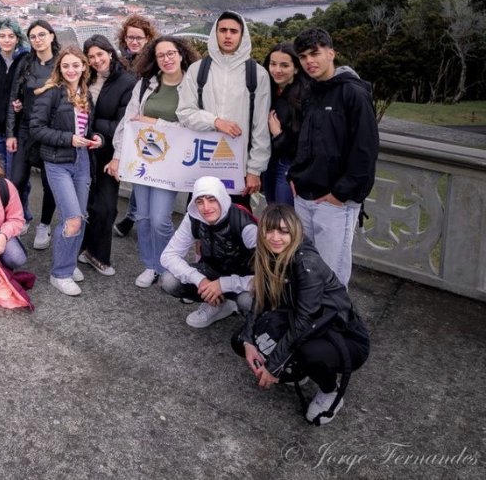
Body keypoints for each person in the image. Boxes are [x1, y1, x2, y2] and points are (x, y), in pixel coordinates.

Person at [233, 204, 370, 425]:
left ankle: (330, 391)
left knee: (309, 353)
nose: (275, 237)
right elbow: (259, 301)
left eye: (283, 231)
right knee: (239, 340)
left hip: (342, 335)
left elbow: (304, 322)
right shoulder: (268, 253)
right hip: (306, 324)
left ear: (295, 232)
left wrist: (272, 366)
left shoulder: (306, 262)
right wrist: (248, 340)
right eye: (269, 230)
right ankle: (298, 371)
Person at [108, 36, 200, 288]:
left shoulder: (193, 87)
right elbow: (128, 122)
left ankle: (171, 265)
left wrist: (156, 123)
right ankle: (151, 265)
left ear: (181, 55)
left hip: (170, 165)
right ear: (154, 59)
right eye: (161, 55)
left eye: (171, 53)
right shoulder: (146, 86)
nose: (167, 59)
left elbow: (192, 126)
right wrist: (117, 157)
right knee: (143, 217)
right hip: (143, 160)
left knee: (160, 219)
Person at [289, 28, 378, 286]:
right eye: (303, 57)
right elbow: (305, 140)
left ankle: (332, 326)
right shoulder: (312, 91)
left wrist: (341, 194)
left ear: (331, 53)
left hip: (335, 203)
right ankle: (310, 323)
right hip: (304, 197)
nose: (309, 61)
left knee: (332, 277)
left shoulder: (354, 94)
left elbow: (365, 150)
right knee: (306, 271)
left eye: (315, 54)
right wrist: (294, 175)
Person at [177, 11, 271, 206]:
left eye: (234, 31)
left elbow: (260, 127)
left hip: (238, 167)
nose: (228, 36)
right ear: (215, 33)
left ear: (242, 36)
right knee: (198, 223)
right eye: (223, 30)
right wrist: (215, 122)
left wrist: (254, 170)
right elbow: (185, 112)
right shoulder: (198, 70)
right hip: (201, 163)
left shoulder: (257, 74)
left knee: (236, 224)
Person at [30, 46, 102, 296]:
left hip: (82, 160)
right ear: (59, 69)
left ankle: (69, 264)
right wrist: (68, 139)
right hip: (57, 162)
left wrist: (95, 138)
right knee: (71, 219)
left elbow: (85, 129)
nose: (71, 70)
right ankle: (60, 273)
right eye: (65, 66)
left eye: (75, 65)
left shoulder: (86, 94)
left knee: (78, 217)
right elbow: (36, 129)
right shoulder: (50, 93)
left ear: (84, 67)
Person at [159, 176, 256, 328]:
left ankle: (253, 322)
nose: (206, 207)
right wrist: (201, 281)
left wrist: (224, 285)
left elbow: (269, 276)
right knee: (169, 280)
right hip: (212, 271)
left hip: (245, 279)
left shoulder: (245, 224)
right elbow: (168, 256)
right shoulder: (194, 217)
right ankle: (219, 304)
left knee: (248, 301)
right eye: (199, 201)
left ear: (222, 198)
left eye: (212, 199)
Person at [77, 35, 134, 277]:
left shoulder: (127, 82)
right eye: (91, 56)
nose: (96, 60)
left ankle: (99, 255)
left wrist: (97, 130)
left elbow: (123, 122)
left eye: (100, 54)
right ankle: (82, 248)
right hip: (81, 149)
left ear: (110, 53)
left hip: (109, 152)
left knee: (106, 206)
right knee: (83, 203)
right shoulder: (84, 78)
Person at [7, 19, 59, 250]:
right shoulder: (26, 63)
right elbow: (14, 98)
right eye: (33, 37)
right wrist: (11, 133)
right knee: (16, 180)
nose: (37, 40)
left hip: (50, 129)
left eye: (41, 35)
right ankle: (17, 220)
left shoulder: (61, 63)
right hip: (26, 127)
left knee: (50, 183)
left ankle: (44, 224)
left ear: (51, 36)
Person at [113, 15, 159, 237]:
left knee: (144, 171)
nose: (134, 42)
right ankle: (134, 215)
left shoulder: (154, 62)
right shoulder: (121, 61)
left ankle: (134, 216)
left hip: (144, 124)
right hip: (122, 121)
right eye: (130, 37)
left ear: (148, 38)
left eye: (138, 38)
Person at [262, 42, 308, 205]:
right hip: (269, 162)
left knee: (284, 215)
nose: (277, 70)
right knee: (272, 209)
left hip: (289, 165)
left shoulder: (303, 97)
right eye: (273, 64)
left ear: (296, 68)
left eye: (284, 65)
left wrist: (278, 134)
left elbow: (305, 142)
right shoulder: (266, 91)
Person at [0, 18, 29, 174]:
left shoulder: (25, 61)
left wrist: (22, 103)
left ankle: (19, 200)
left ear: (17, 39)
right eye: (2, 36)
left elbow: (28, 91)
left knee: (17, 177)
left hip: (16, 129)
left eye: (11, 36)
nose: (7, 40)